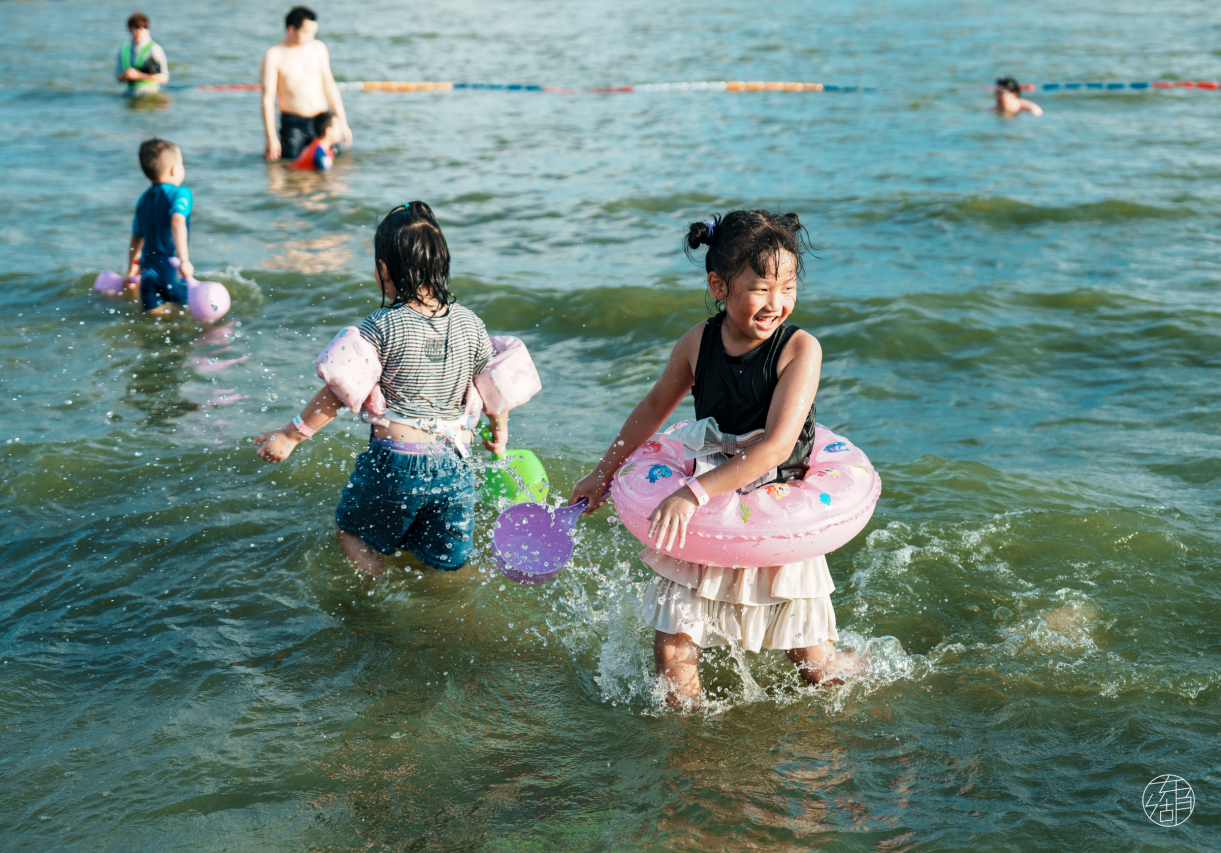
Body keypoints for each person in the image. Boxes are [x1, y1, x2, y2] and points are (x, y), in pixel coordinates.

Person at [570, 210, 859, 707]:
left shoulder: (799, 350)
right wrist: (602, 473)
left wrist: (689, 494)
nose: (777, 303)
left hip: (773, 497)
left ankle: (873, 690)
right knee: (672, 651)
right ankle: (690, 750)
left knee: (814, 665)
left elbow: (777, 445)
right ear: (718, 285)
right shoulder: (697, 342)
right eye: (761, 288)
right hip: (711, 499)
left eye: (788, 287)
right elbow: (653, 408)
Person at [254, 202, 507, 575]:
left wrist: (292, 436)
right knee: (443, 560)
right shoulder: (472, 324)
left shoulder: (381, 325)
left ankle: (379, 587)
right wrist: (500, 435)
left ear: (384, 270)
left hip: (396, 460)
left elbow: (341, 391)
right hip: (454, 463)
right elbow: (493, 388)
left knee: (352, 530)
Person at [261, 6, 354, 161]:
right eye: (306, 32)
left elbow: (330, 86)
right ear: (291, 30)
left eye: (314, 32)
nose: (311, 37)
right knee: (294, 171)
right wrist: (271, 137)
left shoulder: (318, 48)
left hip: (322, 121)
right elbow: (267, 100)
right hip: (294, 123)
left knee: (330, 170)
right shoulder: (274, 55)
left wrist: (342, 122)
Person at [124, 138, 194, 315]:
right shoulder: (181, 193)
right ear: (173, 169)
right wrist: (184, 260)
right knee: (190, 314)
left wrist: (131, 269)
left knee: (155, 319)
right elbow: (177, 220)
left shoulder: (143, 199)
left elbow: (136, 237)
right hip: (170, 271)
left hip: (147, 273)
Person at [115, 13, 169, 95]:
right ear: (130, 28)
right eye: (137, 26)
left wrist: (139, 76)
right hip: (130, 92)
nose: (141, 29)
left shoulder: (155, 49)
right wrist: (126, 75)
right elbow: (118, 77)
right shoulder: (124, 49)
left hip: (151, 93)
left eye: (145, 27)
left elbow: (164, 78)